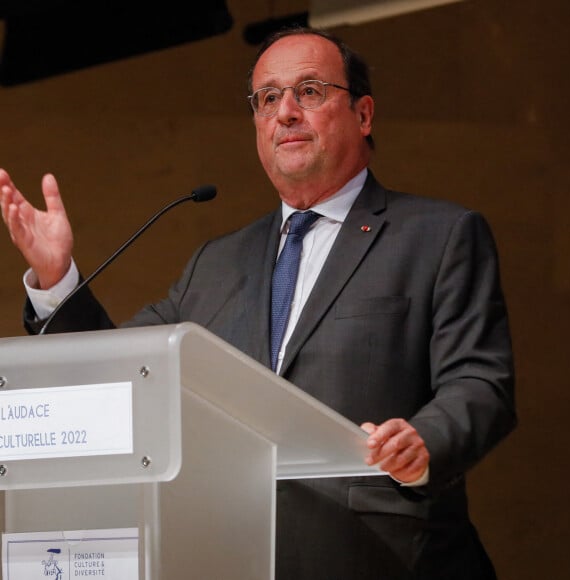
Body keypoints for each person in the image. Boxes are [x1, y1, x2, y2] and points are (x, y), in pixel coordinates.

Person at [0, 27, 516, 580]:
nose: (286, 112)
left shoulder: (438, 236)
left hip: (388, 557)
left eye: (310, 91)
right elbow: (124, 373)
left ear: (363, 115)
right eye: (268, 98)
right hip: (238, 555)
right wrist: (58, 280)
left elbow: (481, 383)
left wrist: (424, 440)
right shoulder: (216, 263)